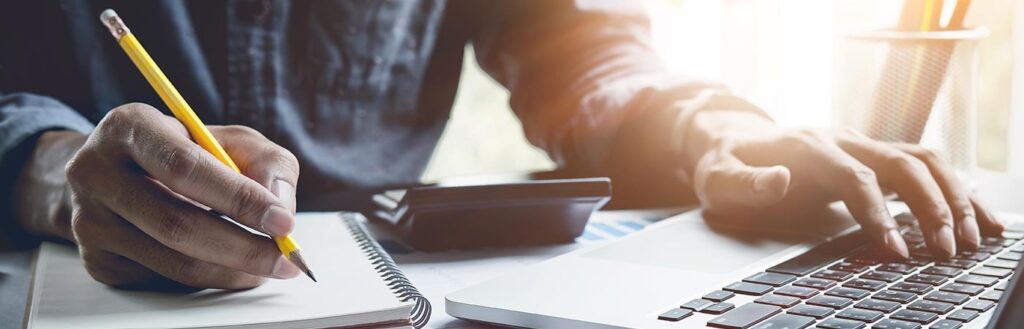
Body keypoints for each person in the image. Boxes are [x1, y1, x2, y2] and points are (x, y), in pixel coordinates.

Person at [0, 1, 1002, 291]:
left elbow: (576, 45)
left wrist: (718, 129)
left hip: (393, 294)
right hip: (52, 278)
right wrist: (48, 162)